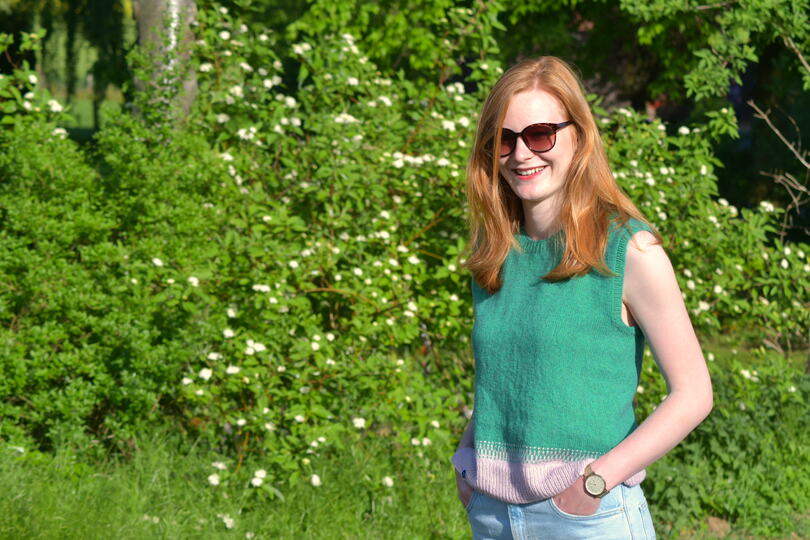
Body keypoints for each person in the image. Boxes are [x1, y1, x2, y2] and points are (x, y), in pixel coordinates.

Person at [451, 56, 713, 539]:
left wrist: (594, 484)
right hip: (493, 516)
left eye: (540, 135)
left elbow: (694, 394)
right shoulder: (496, 254)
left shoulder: (629, 251)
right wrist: (467, 460)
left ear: (579, 136)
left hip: (585, 518)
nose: (521, 154)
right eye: (503, 140)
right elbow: (502, 381)